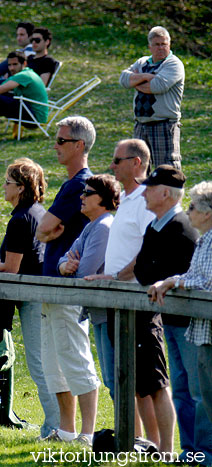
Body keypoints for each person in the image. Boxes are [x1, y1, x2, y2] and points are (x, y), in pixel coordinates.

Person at [0, 158, 59, 438]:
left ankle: (55, 428)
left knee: (39, 365)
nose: (4, 187)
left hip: (32, 298)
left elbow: (11, 268)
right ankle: (58, 425)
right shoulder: (36, 212)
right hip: (39, 295)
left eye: (7, 182)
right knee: (47, 363)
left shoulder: (21, 219)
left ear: (21, 187)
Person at [84, 140, 157, 442]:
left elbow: (149, 248)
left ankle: (156, 445)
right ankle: (133, 439)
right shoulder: (128, 199)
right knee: (122, 378)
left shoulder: (145, 199)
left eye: (117, 160)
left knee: (148, 381)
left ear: (137, 162)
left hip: (137, 299)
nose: (111, 166)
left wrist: (116, 276)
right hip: (117, 298)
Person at [127, 165, 199, 455]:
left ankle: (200, 451)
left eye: (150, 188)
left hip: (191, 322)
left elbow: (179, 271)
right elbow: (145, 270)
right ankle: (190, 449)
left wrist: (159, 273)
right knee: (182, 389)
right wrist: (158, 273)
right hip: (170, 318)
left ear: (166, 193)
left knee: (195, 390)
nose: (143, 193)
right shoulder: (155, 226)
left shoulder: (183, 227)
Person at [36, 116, 96, 444]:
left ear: (79, 145)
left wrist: (48, 231)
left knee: (74, 356)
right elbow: (43, 229)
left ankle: (87, 434)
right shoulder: (69, 183)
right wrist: (47, 232)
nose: (55, 145)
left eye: (61, 141)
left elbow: (44, 228)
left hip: (69, 287)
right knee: (53, 361)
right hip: (52, 284)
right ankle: (67, 429)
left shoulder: (79, 184)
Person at [52, 174, 120, 445]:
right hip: (97, 312)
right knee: (111, 380)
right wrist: (63, 266)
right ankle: (126, 436)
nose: (81, 197)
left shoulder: (103, 226)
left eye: (88, 193)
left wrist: (71, 267)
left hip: (111, 312)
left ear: (103, 199)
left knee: (117, 380)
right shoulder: (90, 226)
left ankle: (130, 439)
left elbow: (86, 271)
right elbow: (64, 258)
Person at [148, 181, 212, 466]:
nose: (188, 212)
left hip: (208, 332)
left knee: (203, 397)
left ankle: (205, 455)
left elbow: (206, 283)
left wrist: (175, 280)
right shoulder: (203, 240)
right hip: (198, 330)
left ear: (208, 212)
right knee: (190, 393)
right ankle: (192, 451)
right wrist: (177, 279)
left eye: (193, 207)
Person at [119, 26, 184, 169]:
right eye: (157, 44)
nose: (161, 48)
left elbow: (158, 86)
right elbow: (124, 79)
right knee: (138, 170)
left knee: (166, 171)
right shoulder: (142, 62)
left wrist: (136, 80)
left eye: (164, 44)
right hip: (141, 124)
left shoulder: (173, 64)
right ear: (150, 46)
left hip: (164, 125)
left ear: (169, 44)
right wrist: (147, 77)